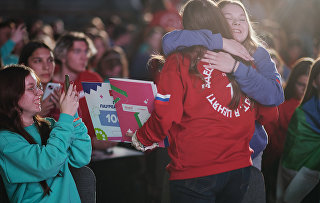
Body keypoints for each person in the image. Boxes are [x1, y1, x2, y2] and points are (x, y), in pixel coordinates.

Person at [128, 0, 255, 201]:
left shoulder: (178, 60)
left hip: (195, 170)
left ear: (185, 24)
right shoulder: (243, 57)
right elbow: (269, 113)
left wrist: (143, 138)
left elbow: (166, 113)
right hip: (240, 168)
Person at [160, 0, 284, 169]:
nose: (236, 23)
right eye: (229, 17)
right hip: (209, 153)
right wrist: (222, 42)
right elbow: (169, 41)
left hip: (250, 152)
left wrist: (236, 67)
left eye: (242, 18)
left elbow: (275, 95)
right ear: (216, 20)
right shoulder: (206, 46)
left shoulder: (259, 53)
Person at [0, 64, 92, 202]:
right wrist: (65, 116)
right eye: (31, 88)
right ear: (10, 94)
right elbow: (47, 166)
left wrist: (73, 115)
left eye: (38, 86)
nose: (40, 92)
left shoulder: (50, 125)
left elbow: (82, 157)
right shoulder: (4, 141)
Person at [53, 32, 116, 150]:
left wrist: (111, 135)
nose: (84, 57)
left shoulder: (92, 78)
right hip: (66, 151)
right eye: (77, 51)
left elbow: (106, 118)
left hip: (98, 150)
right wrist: (91, 142)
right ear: (62, 55)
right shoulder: (51, 85)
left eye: (86, 51)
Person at [262, 57, 313, 203]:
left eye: (309, 85)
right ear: (293, 82)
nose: (305, 89)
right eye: (301, 84)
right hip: (278, 167)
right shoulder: (283, 105)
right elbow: (269, 141)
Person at [276, 58, 320, 203]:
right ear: (314, 83)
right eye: (300, 83)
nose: (302, 87)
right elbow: (290, 154)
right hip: (296, 175)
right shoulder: (300, 113)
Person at [19, 41, 60, 118]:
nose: (46, 67)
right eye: (38, 61)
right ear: (23, 66)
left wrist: (63, 112)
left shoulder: (61, 92)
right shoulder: (15, 95)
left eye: (50, 60)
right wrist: (37, 116)